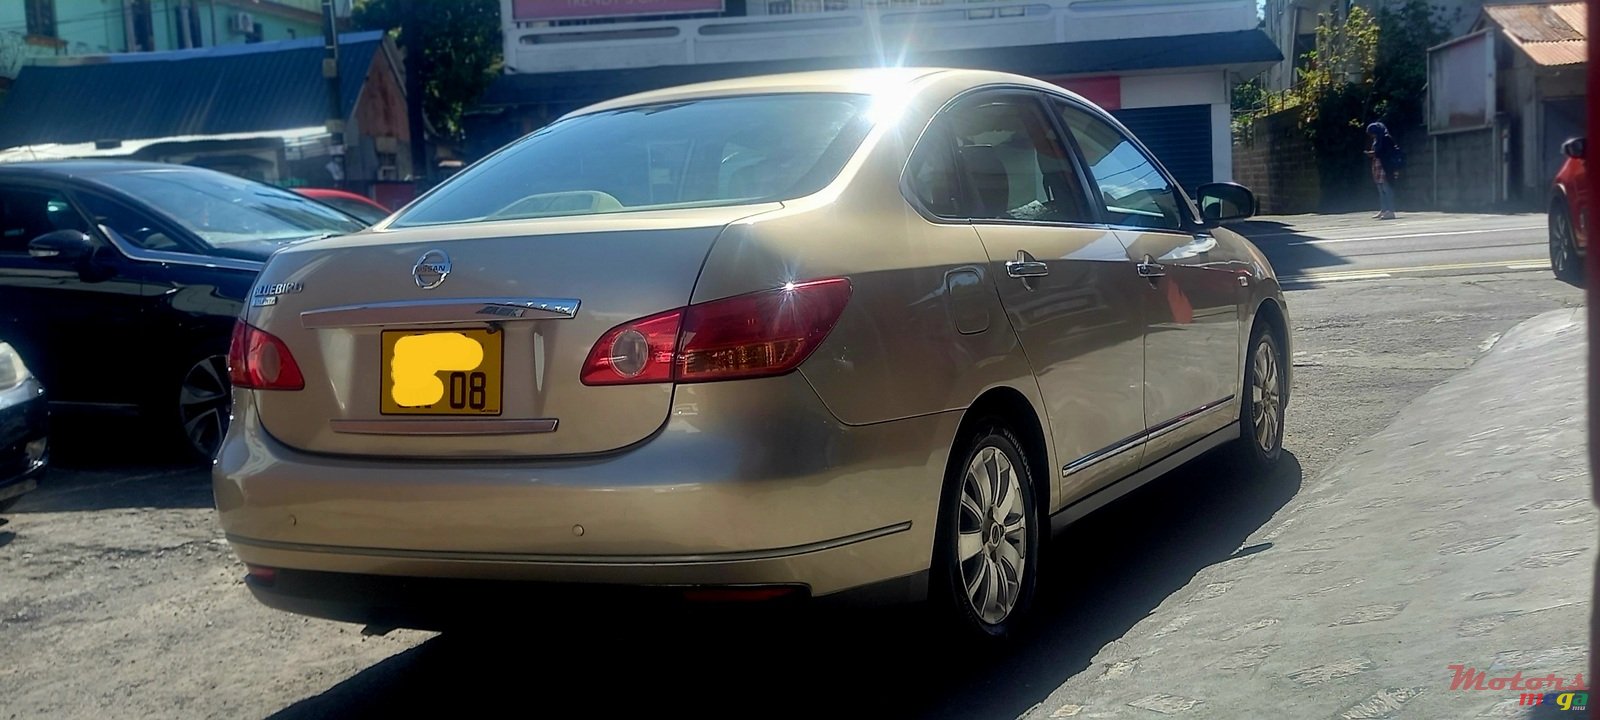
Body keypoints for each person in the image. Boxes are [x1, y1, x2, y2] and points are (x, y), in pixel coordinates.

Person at [1365, 122, 1400, 220]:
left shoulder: (1386, 138)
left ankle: (1391, 211)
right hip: (1378, 166)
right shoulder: (1377, 140)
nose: (1372, 136)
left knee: (1387, 189)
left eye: (1373, 133)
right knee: (1381, 190)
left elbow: (1386, 152)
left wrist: (1374, 153)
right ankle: (1384, 210)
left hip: (1386, 167)